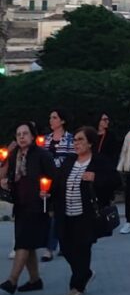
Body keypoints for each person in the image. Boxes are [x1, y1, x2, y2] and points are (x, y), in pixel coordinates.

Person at [53, 126, 119, 295]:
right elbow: (57, 182)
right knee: (66, 248)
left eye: (80, 140)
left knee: (82, 249)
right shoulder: (69, 161)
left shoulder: (99, 162)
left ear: (90, 143)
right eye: (75, 140)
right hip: (66, 213)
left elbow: (115, 181)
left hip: (86, 214)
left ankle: (77, 288)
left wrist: (96, 178)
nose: (77, 143)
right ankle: (85, 273)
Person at [0, 122, 56, 295]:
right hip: (21, 205)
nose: (22, 137)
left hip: (37, 206)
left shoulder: (42, 155)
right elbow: (8, 177)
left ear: (32, 136)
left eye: (25, 133)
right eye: (18, 134)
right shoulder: (14, 154)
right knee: (28, 244)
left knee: (22, 243)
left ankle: (12, 281)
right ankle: (35, 280)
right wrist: (5, 182)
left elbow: (54, 178)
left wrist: (50, 197)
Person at [41, 108, 76, 262]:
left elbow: (73, 159)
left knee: (61, 212)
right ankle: (52, 246)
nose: (51, 120)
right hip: (48, 181)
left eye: (54, 117)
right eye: (50, 117)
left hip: (63, 181)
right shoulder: (45, 139)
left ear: (62, 121)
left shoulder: (70, 139)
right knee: (51, 213)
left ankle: (57, 245)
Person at [94, 112, 121, 205]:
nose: (107, 122)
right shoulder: (92, 135)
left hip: (106, 169)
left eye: (107, 119)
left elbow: (115, 153)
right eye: (104, 119)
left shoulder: (111, 136)